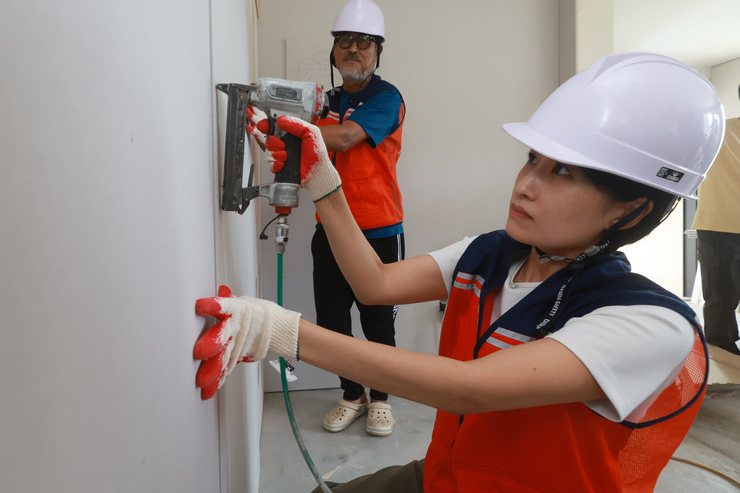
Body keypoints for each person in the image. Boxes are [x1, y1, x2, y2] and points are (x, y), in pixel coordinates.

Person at [194, 53, 725, 492]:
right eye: (532, 159)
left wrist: (279, 332)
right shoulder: (490, 255)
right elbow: (375, 284)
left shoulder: (650, 322)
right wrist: (322, 182)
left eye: (562, 171)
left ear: (630, 210)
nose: (525, 185)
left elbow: (471, 389)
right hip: (447, 476)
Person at [250, 0, 406, 437]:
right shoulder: (324, 100)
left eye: (363, 41)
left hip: (378, 230)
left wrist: (280, 126)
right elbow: (299, 141)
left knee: (378, 321)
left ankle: (381, 399)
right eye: (344, 41)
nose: (353, 49)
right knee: (334, 321)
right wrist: (266, 131)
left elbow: (345, 137)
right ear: (334, 51)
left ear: (378, 51)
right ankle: (352, 395)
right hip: (330, 228)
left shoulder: (387, 98)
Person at [692, 88, 740, 356]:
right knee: (721, 293)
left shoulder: (716, 131)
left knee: (721, 292)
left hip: (717, 223)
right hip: (718, 223)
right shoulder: (716, 131)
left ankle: (722, 345)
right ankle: (721, 348)